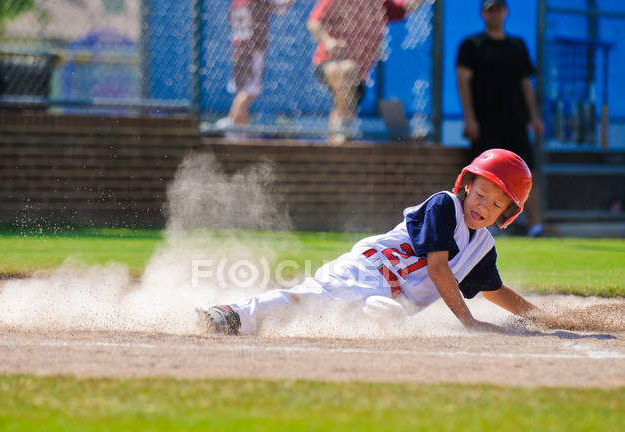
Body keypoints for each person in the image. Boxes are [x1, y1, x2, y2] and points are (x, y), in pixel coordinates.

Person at [203, 148, 552, 335]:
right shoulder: (444, 205)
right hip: (368, 270)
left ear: (508, 213)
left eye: (496, 204)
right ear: (467, 185)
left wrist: (543, 318)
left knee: (374, 319)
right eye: (481, 193)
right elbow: (438, 268)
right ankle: (234, 314)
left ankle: (363, 319)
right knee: (317, 298)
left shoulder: (482, 247)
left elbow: (493, 289)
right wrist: (468, 320)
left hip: (388, 297)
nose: (484, 206)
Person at [456, 0, 546, 237]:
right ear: (483, 14)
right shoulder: (472, 45)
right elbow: (463, 81)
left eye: (498, 9)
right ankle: (478, 226)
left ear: (505, 12)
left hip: (515, 122)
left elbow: (526, 84)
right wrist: (469, 118)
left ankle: (536, 226)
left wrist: (534, 117)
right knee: (483, 177)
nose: (494, 14)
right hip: (485, 123)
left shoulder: (517, 45)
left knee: (529, 172)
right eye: (489, 10)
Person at [307, 0, 424, 145]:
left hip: (360, 73)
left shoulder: (380, 3)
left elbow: (407, 7)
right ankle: (342, 130)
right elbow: (314, 22)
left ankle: (339, 133)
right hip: (330, 62)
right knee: (344, 70)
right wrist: (328, 41)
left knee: (349, 78)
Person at [216, 0, 295, 136]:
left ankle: (239, 134)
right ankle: (231, 125)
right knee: (249, 92)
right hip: (252, 50)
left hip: (238, 49)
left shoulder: (237, 2)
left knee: (242, 91)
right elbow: (279, 8)